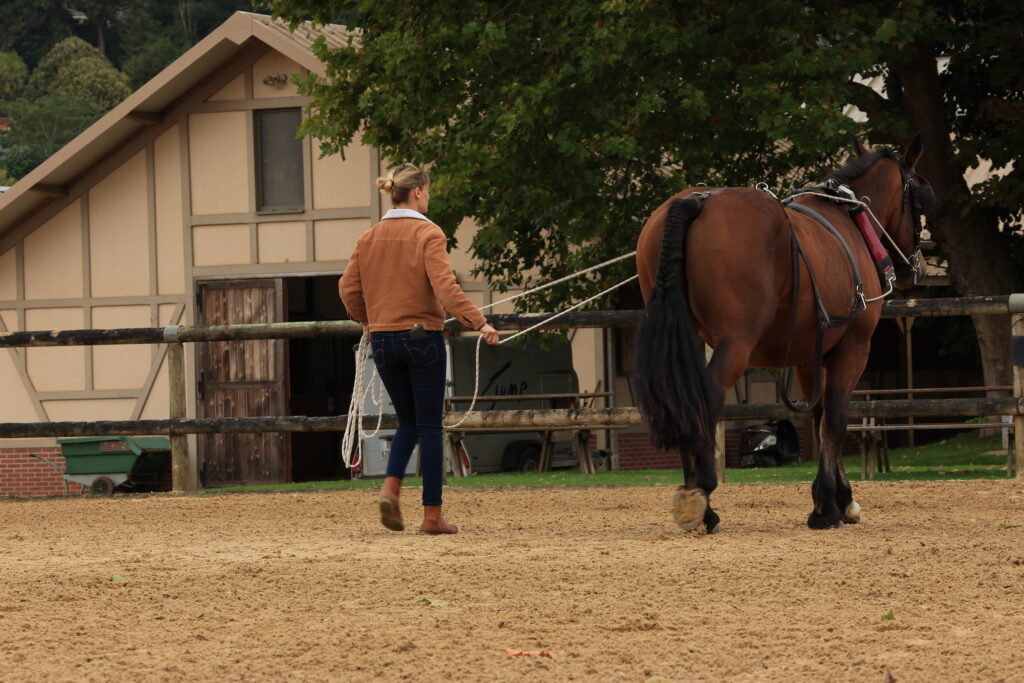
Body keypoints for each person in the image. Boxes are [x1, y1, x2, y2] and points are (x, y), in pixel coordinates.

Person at [339, 164, 500, 534]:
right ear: (416, 192)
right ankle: (432, 517)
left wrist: (367, 319)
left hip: (382, 342)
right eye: (427, 190)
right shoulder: (429, 233)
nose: (428, 196)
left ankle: (391, 488)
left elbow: (347, 288)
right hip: (421, 338)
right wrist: (480, 322)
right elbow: (446, 288)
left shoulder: (368, 237)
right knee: (429, 427)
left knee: (408, 421)